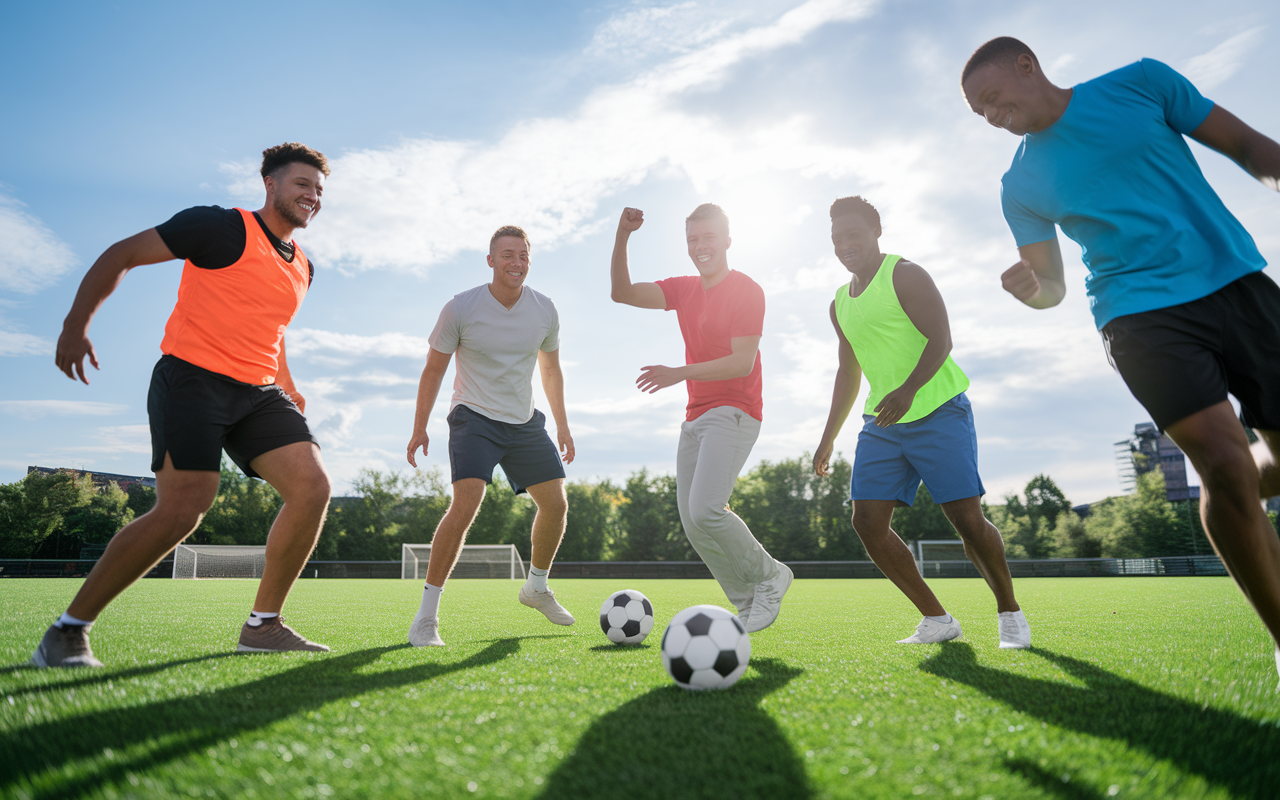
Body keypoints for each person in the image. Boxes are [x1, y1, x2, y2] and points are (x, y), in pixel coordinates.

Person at [962, 37, 1280, 679]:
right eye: (981, 114)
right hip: (1139, 316)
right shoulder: (1019, 184)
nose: (992, 117)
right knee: (1221, 463)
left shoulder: (1141, 83)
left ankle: (1244, 485)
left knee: (1252, 467)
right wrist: (1033, 291)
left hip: (1239, 283)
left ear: (1028, 65)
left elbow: (1248, 146)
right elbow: (1050, 286)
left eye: (993, 100)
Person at [34, 143, 334, 668]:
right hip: (192, 379)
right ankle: (68, 630)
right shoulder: (219, 228)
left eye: (319, 190)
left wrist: (288, 383)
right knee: (181, 511)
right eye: (302, 185)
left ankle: (263, 626)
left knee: (312, 488)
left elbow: (273, 329)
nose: (312, 196)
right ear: (271, 184)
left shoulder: (304, 266)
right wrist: (75, 325)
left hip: (259, 392)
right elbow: (120, 254)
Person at [813, 196, 1030, 648]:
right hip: (883, 423)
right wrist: (828, 437)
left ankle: (1009, 612)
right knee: (867, 522)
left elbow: (942, 339)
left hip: (938, 410)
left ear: (875, 231)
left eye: (853, 233)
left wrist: (909, 389)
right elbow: (848, 372)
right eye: (837, 238)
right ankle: (937, 618)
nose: (845, 244)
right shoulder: (839, 304)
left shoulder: (905, 274)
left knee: (967, 520)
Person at [609, 204, 791, 633]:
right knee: (694, 522)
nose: (699, 246)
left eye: (708, 237)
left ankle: (770, 575)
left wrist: (679, 373)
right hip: (695, 418)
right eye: (692, 239)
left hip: (735, 411)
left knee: (707, 509)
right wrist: (622, 235)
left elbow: (742, 362)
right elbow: (622, 293)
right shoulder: (684, 289)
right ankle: (746, 602)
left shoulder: (747, 290)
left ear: (727, 240)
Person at [405, 225, 576, 647]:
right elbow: (434, 368)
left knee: (555, 505)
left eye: (523, 255)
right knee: (467, 503)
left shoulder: (545, 309)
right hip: (473, 416)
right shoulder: (461, 307)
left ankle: (535, 587)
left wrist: (563, 425)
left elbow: (550, 370)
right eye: (507, 255)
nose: (516, 263)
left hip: (523, 421)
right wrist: (419, 426)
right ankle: (426, 618)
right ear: (491, 260)